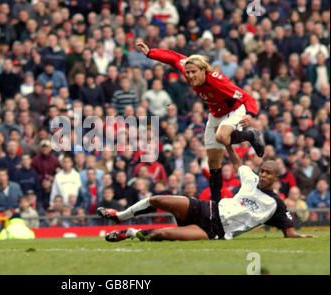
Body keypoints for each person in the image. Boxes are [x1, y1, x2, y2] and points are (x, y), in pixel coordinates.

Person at [135, 41, 265, 204]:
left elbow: (246, 97)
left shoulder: (217, 80)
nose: (189, 76)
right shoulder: (188, 68)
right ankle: (216, 204)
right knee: (212, 161)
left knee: (222, 137)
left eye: (193, 73)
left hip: (233, 110)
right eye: (188, 73)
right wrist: (150, 52)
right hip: (215, 113)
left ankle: (250, 135)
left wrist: (251, 114)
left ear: (203, 70)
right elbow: (174, 58)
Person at [98, 145, 315, 242]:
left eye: (269, 173)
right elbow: (237, 161)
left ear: (276, 178)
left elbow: (288, 232)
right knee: (157, 199)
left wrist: (303, 235)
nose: (264, 175)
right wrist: (227, 143)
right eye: (262, 171)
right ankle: (119, 216)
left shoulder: (276, 204)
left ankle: (131, 233)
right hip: (207, 207)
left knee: (160, 234)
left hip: (213, 230)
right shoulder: (251, 179)